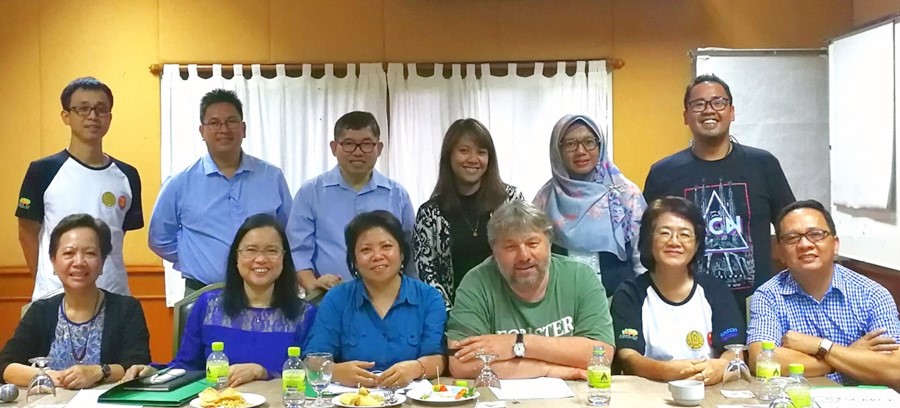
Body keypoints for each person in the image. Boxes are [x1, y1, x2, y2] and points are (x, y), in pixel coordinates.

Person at [643, 74, 795, 307]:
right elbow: (648, 241)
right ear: (685, 116)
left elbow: (791, 229)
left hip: (756, 304)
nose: (708, 110)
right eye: (698, 104)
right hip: (685, 304)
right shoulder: (664, 172)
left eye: (718, 102)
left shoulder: (763, 165)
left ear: (732, 111)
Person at [127, 214, 317, 386]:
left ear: (284, 258)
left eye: (272, 251)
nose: (260, 259)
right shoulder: (208, 306)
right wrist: (152, 372)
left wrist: (263, 373)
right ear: (236, 257)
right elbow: (186, 366)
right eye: (251, 250)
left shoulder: (305, 314)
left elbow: (313, 377)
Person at [446, 200, 615, 380]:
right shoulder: (476, 283)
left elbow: (601, 355)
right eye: (510, 247)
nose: (524, 256)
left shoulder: (581, 277)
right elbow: (460, 363)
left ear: (549, 243)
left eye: (532, 243)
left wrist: (518, 343)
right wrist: (546, 369)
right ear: (493, 251)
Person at [148, 89, 292, 295]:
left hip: (264, 293)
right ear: (202, 131)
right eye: (214, 123)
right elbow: (159, 239)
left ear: (243, 129)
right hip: (201, 292)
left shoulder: (272, 177)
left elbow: (288, 232)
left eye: (231, 121)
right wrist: (194, 258)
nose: (223, 129)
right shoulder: (180, 183)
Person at [747, 200, 900, 385]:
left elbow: (894, 369)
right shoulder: (768, 295)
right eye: (792, 238)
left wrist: (819, 345)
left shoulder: (872, 294)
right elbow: (761, 360)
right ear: (779, 251)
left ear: (835, 244)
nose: (804, 244)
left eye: (816, 234)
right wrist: (847, 354)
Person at [17, 77, 143, 300]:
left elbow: (116, 233)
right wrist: (45, 279)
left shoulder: (127, 175)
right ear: (66, 116)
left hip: (113, 295)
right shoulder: (42, 171)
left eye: (100, 109)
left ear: (110, 117)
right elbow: (27, 232)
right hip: (54, 296)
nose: (93, 116)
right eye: (83, 109)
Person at [1, 214, 150, 389]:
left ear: (102, 262)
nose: (79, 262)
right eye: (69, 253)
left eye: (90, 253)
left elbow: (138, 366)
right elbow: (5, 365)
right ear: (54, 262)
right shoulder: (41, 311)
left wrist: (98, 372)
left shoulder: (127, 309)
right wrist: (53, 377)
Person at [611, 197, 745, 385]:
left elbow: (735, 349)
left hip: (708, 388)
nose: (674, 242)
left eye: (684, 234)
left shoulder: (714, 289)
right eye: (664, 233)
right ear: (649, 240)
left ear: (697, 244)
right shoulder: (630, 293)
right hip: (649, 391)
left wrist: (722, 365)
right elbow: (628, 356)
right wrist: (666, 371)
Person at [304, 211, 445, 388]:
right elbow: (311, 359)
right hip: (351, 399)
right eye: (366, 250)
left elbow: (438, 359)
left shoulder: (429, 298)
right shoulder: (337, 299)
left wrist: (416, 368)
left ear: (402, 253)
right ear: (354, 260)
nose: (377, 256)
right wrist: (335, 371)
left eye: (386, 246)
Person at [288, 111, 416, 293]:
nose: (357, 152)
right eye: (348, 144)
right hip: (326, 298)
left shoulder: (397, 195)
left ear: (379, 148)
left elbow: (409, 252)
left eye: (366, 144)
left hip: (388, 301)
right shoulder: (310, 193)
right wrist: (312, 287)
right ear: (334, 147)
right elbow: (298, 251)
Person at [415, 118, 524, 309]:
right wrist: (455, 315)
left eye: (481, 152)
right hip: (454, 315)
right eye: (464, 151)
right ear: (449, 156)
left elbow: (525, 255)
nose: (473, 159)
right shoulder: (429, 213)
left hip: (510, 310)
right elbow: (427, 274)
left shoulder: (512, 200)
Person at [534, 114, 646, 295]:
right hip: (561, 301)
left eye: (589, 142)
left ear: (600, 146)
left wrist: (640, 298)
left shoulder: (625, 194)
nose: (581, 151)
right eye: (570, 144)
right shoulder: (545, 198)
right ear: (558, 150)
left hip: (618, 299)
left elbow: (642, 256)